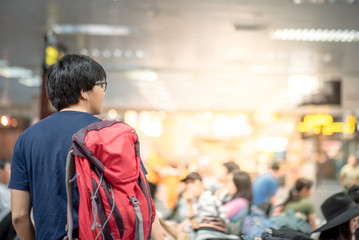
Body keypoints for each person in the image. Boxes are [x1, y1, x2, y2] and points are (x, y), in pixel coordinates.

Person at [8, 54, 164, 240]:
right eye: (101, 85)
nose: (103, 92)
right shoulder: (113, 135)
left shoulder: (27, 139)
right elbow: (143, 200)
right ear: (84, 92)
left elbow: (19, 216)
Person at [221, 170, 252, 236]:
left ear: (239, 184)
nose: (227, 184)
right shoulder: (241, 201)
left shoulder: (240, 203)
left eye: (230, 181)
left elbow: (217, 215)